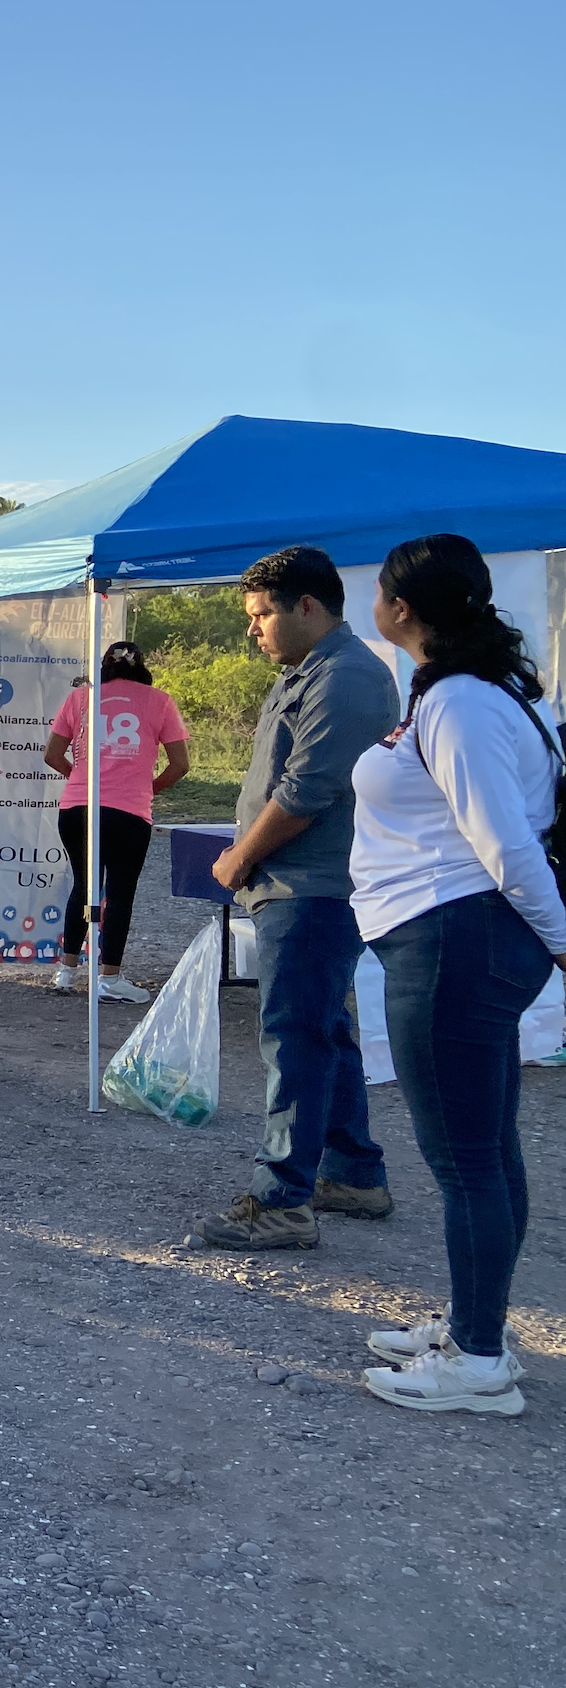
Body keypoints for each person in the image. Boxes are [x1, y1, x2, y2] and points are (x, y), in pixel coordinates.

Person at [345, 535, 565, 1415]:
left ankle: (477, 1362)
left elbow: (507, 845)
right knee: (489, 1147)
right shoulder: (462, 692)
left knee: (466, 1159)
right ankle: (482, 1324)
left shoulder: (463, 704)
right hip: (452, 937)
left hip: (455, 941)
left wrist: (562, 939)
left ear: (402, 608)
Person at [200, 546, 401, 1250]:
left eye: (262, 615)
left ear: (308, 606)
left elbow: (307, 791)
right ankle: (352, 1175)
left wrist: (238, 859)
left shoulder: (346, 677)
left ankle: (282, 1198)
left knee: (295, 1037)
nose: (253, 629)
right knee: (323, 1030)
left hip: (314, 887)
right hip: (296, 886)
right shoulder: (308, 672)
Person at [42, 639, 192, 1002]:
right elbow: (181, 764)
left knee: (84, 885)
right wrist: (147, 788)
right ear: (141, 668)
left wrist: (80, 780)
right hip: (129, 810)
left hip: (77, 807)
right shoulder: (159, 701)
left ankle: (66, 970)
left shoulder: (80, 698)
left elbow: (52, 754)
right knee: (121, 891)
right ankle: (109, 977)